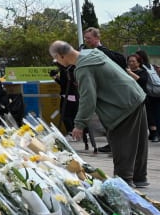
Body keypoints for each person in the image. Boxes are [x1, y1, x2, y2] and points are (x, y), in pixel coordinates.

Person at [49, 41, 148, 188]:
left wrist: (79, 124)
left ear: (61, 56)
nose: (57, 62)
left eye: (56, 59)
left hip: (121, 106)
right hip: (135, 96)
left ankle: (124, 184)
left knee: (122, 145)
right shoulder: (92, 53)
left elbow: (88, 98)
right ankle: (139, 178)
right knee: (138, 142)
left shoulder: (83, 68)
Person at [79, 27, 130, 153]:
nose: (86, 41)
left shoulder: (104, 53)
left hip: (113, 92)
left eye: (89, 38)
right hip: (102, 92)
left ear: (97, 38)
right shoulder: (89, 53)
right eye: (85, 38)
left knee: (114, 120)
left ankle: (117, 144)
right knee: (107, 120)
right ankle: (113, 143)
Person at [51, 62, 96, 152]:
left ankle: (72, 133)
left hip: (68, 96)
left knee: (66, 116)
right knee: (77, 115)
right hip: (77, 96)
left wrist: (55, 78)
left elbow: (63, 84)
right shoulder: (77, 69)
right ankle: (85, 134)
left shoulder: (66, 71)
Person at [134, 49, 160, 142]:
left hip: (150, 94)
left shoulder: (141, 68)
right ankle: (156, 133)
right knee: (156, 113)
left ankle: (156, 134)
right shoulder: (151, 66)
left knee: (152, 115)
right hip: (158, 92)